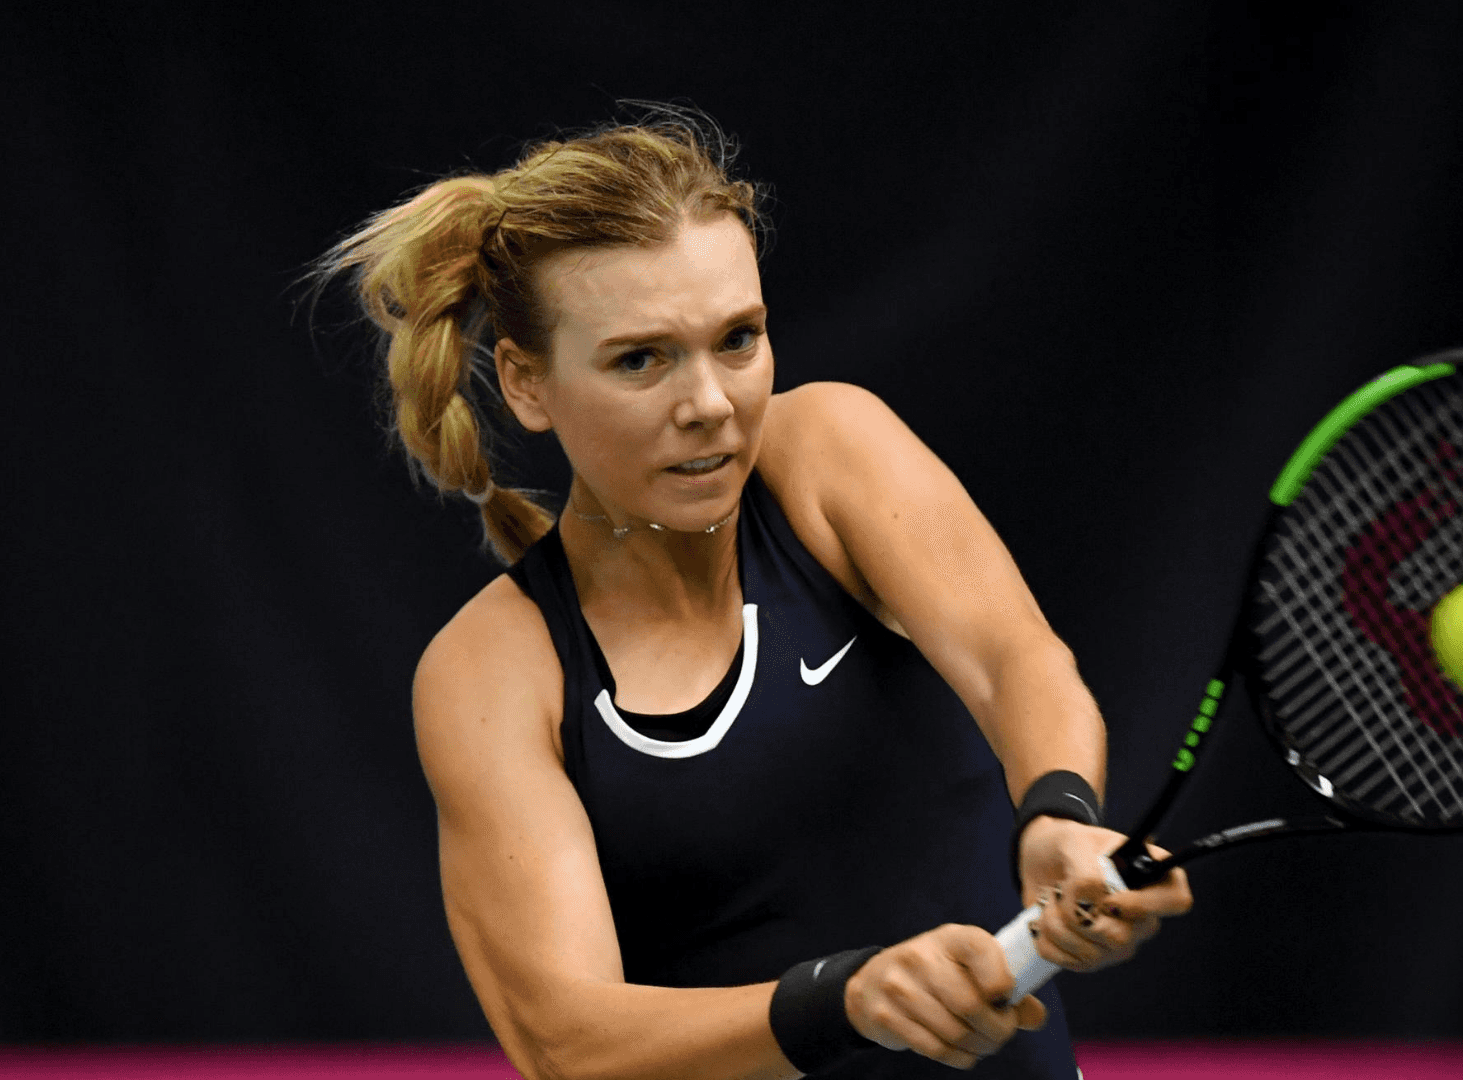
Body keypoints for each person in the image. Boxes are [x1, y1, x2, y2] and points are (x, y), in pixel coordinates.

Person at [311, 108, 1192, 1079]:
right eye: (640, 358)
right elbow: (565, 1040)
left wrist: (1059, 813)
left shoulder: (829, 450)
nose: (710, 403)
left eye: (738, 339)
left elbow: (1012, 659)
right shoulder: (489, 673)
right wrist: (846, 1001)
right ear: (526, 383)